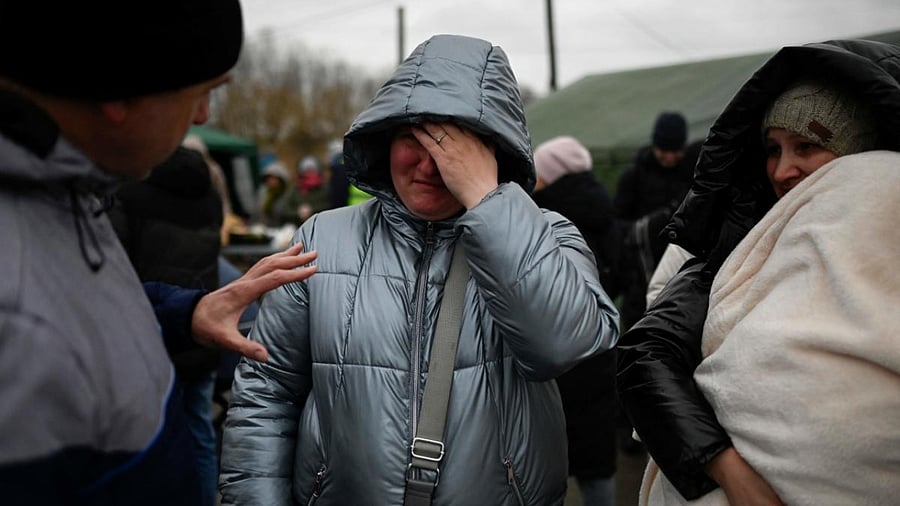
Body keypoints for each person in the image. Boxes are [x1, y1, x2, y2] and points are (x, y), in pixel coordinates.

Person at [219, 34, 620, 506]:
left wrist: (488, 202)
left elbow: (563, 345)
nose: (430, 164)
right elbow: (266, 394)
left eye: (454, 145)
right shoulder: (322, 239)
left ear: (492, 152)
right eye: (412, 139)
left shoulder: (547, 236)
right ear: (384, 140)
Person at [0, 1, 317, 504]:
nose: (203, 116)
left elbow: (77, 307)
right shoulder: (15, 319)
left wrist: (185, 311)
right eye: (202, 92)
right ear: (119, 91)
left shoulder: (69, 191)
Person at [617, 39, 900, 505]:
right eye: (773, 149)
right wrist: (729, 472)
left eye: (807, 147)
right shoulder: (740, 241)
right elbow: (645, 354)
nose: (783, 170)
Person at [109, 146, 225, 506]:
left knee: (149, 441)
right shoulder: (210, 197)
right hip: (202, 327)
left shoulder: (130, 195)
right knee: (201, 431)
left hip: (154, 330)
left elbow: (116, 264)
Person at [530, 136, 619, 506]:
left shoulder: (543, 218)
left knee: (547, 467)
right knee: (598, 466)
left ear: (552, 177)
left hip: (554, 358)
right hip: (597, 352)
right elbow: (618, 272)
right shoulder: (604, 208)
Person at [613, 111, 699, 330]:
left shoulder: (689, 172)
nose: (670, 157)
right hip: (639, 274)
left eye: (675, 151)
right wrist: (647, 228)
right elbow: (617, 222)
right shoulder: (634, 175)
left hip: (677, 265)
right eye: (664, 150)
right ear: (654, 145)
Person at [291, 154, 328, 222]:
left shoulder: (324, 188)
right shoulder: (296, 189)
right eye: (307, 171)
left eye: (312, 170)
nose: (310, 173)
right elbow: (284, 208)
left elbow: (328, 205)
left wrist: (312, 210)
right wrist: (298, 212)